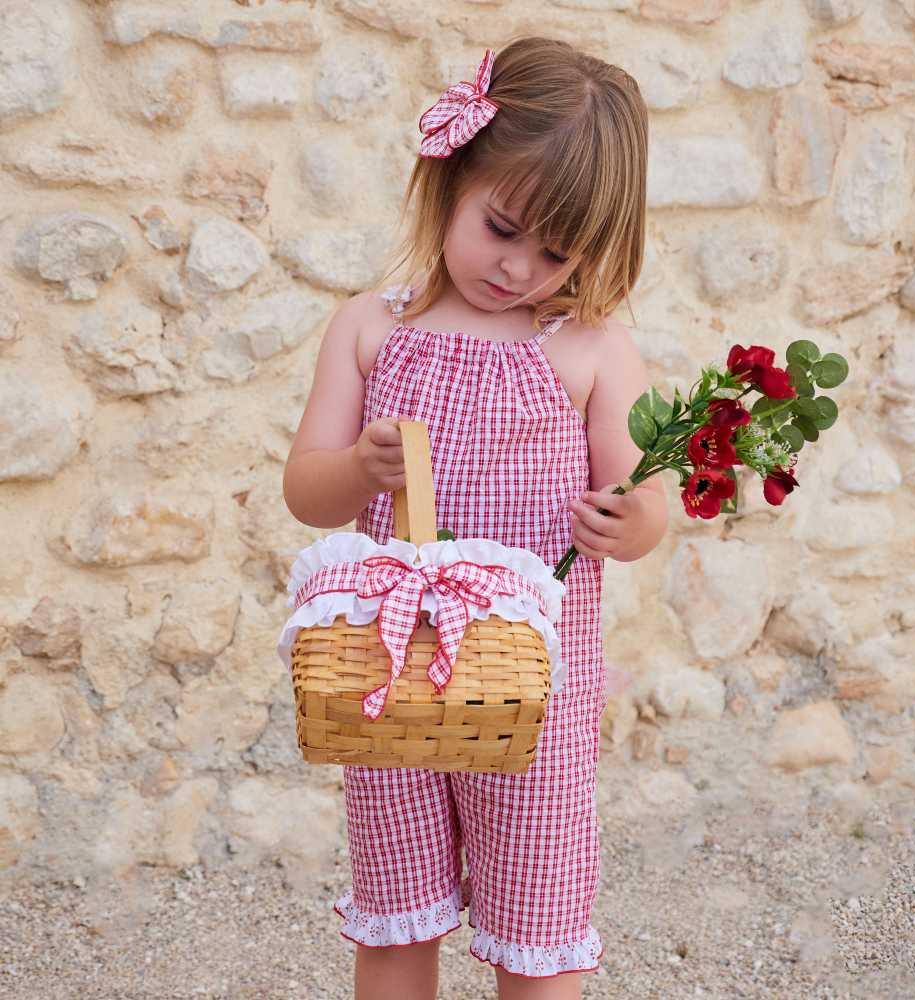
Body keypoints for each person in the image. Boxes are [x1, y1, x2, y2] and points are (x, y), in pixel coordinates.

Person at [282, 35, 669, 1000]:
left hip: (533, 699)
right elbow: (305, 492)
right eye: (501, 228)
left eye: (555, 252)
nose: (518, 269)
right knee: (397, 916)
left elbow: (644, 497)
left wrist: (628, 522)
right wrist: (357, 466)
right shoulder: (374, 328)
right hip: (392, 684)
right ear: (449, 180)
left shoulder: (590, 349)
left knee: (538, 928)